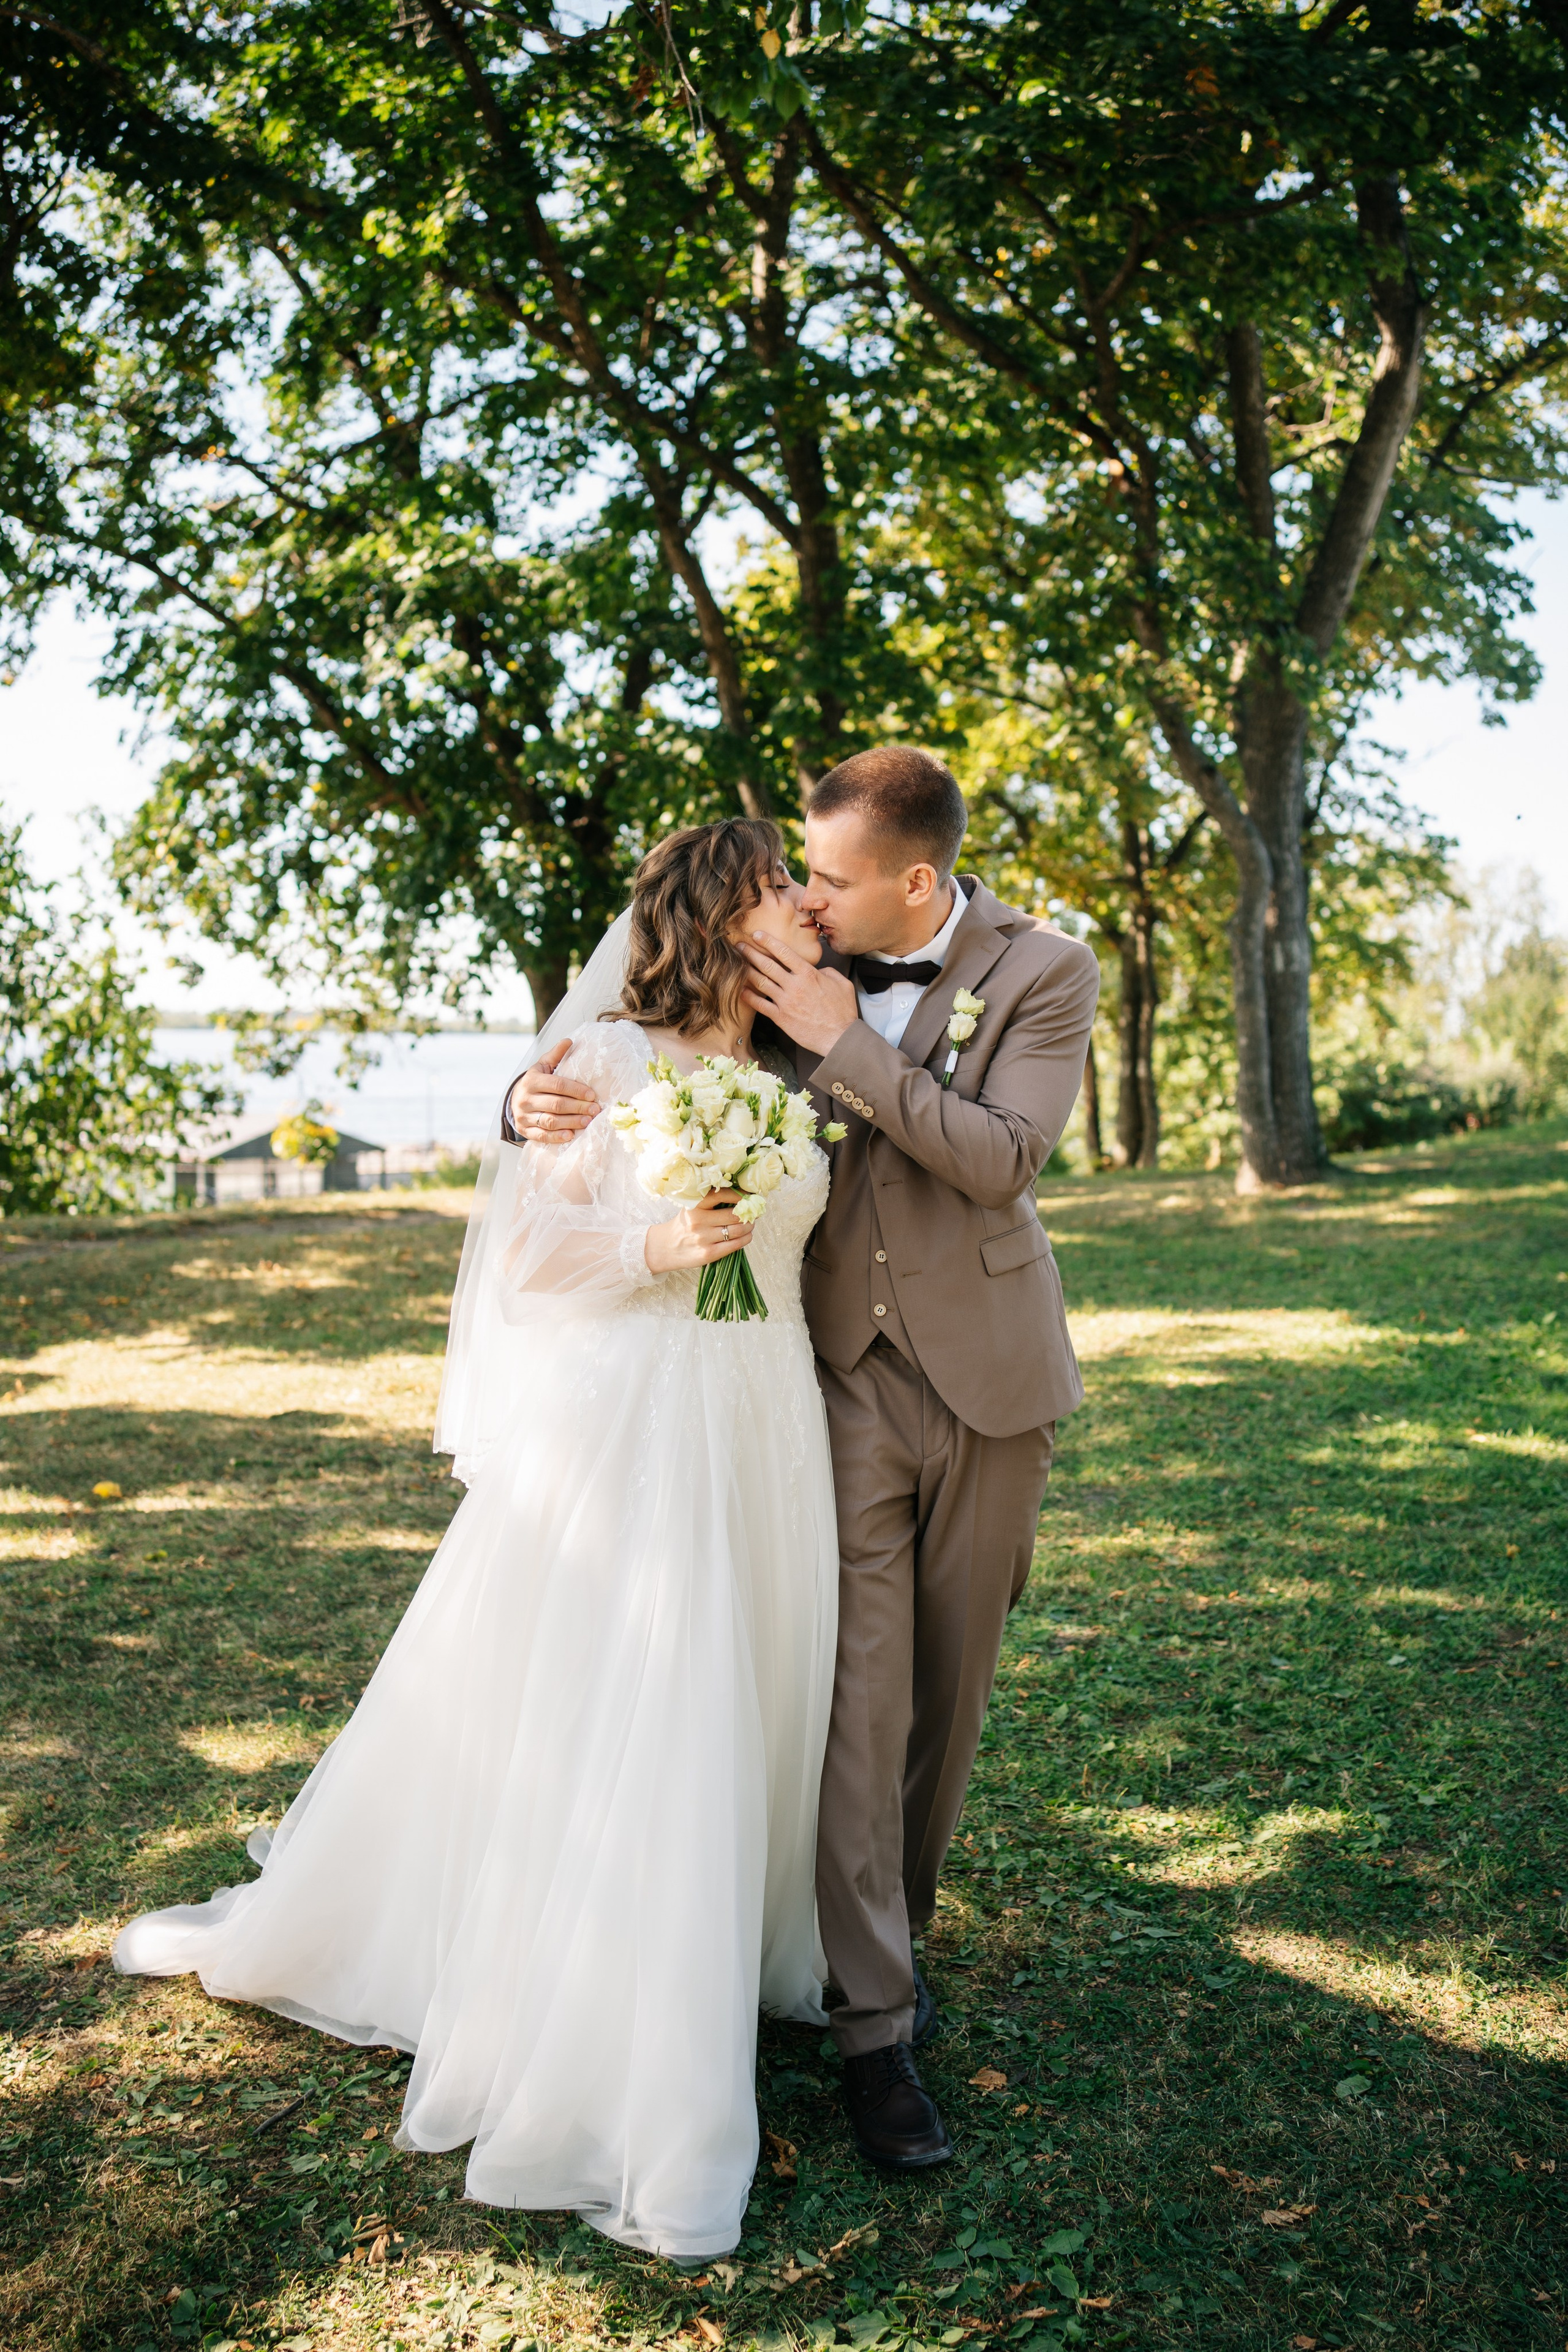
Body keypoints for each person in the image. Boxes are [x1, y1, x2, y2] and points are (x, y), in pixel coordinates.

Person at [114, 819, 840, 2262]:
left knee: (746, 1685)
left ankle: (722, 1949)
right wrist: (654, 1246)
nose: (809, 911)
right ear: (717, 914)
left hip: (768, 1419)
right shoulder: (598, 1069)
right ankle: (617, 2028)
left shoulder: (782, 1072)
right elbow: (525, 1262)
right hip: (637, 1425)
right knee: (652, 1697)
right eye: (782, 890)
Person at [510, 746, 1099, 2172]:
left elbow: (1003, 1155)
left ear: (914, 879)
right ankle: (870, 2028)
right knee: (858, 1694)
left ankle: (894, 1927)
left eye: (828, 881)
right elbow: (657, 1054)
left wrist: (849, 1041)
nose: (808, 903)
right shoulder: (785, 978)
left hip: (994, 1385)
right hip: (824, 1384)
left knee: (945, 1701)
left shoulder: (1044, 970)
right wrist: (520, 1109)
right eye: (797, 884)